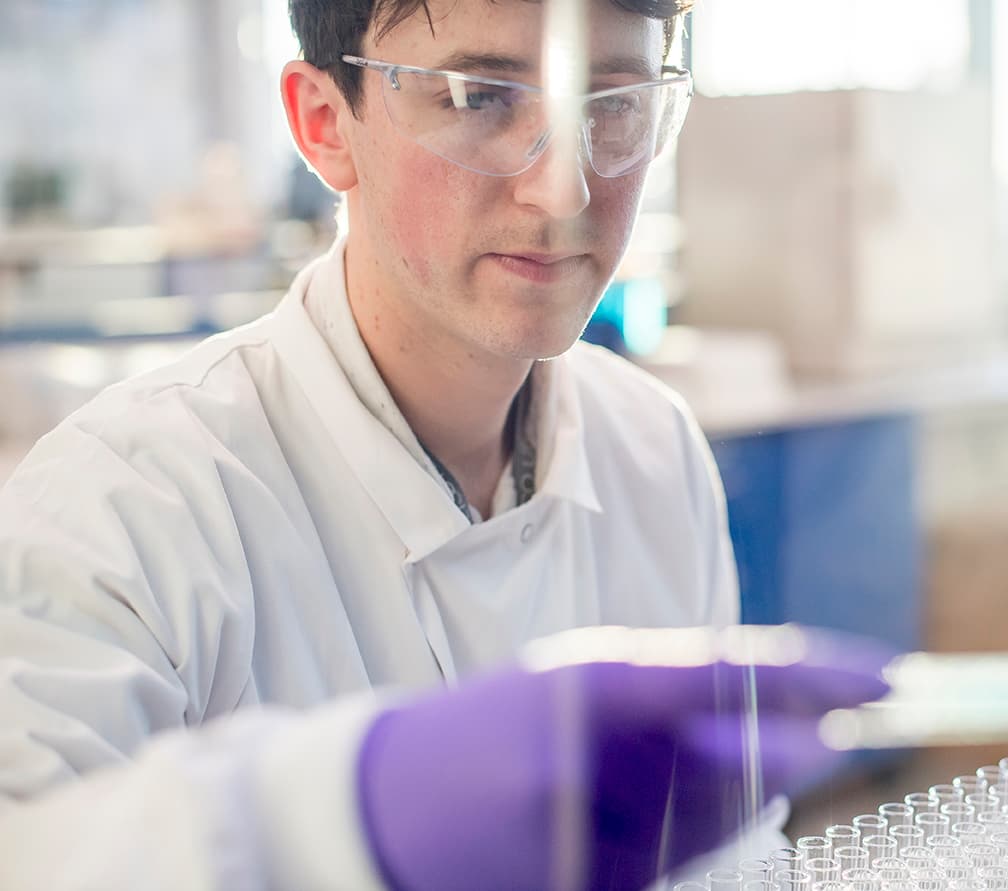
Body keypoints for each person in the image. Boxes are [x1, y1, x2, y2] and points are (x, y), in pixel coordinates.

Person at [0, 0, 892, 887]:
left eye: (612, 100)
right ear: (325, 124)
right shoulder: (120, 509)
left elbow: (727, 857)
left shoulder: (652, 448)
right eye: (479, 96)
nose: (563, 189)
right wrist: (344, 816)